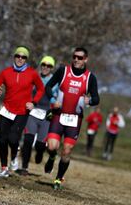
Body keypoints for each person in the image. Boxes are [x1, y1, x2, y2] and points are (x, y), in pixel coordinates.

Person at [44, 47, 99, 189]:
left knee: (67, 150)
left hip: (75, 120)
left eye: (80, 58)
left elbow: (96, 98)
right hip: (58, 115)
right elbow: (48, 86)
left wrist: (90, 101)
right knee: (52, 147)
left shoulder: (90, 78)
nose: (76, 59)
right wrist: (52, 99)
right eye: (74, 56)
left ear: (85, 59)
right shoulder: (63, 71)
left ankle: (58, 178)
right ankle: (51, 157)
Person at [0, 46, 44, 178]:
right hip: (7, 110)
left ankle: (14, 156)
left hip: (22, 111)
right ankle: (4, 168)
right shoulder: (6, 72)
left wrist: (34, 102)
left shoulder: (32, 73)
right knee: (3, 140)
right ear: (14, 57)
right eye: (18, 56)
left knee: (13, 139)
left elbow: (41, 89)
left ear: (26, 59)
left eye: (23, 57)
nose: (20, 59)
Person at [20, 56, 58, 175]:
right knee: (27, 140)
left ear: (52, 68)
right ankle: (24, 167)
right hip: (33, 111)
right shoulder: (34, 77)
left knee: (40, 144)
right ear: (41, 65)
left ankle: (40, 152)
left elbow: (58, 98)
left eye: (49, 66)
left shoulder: (55, 82)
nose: (46, 67)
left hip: (47, 115)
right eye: (44, 65)